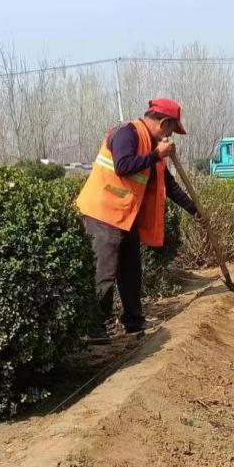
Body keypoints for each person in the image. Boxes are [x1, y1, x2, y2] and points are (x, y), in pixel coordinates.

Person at [76, 98, 198, 343]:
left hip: (125, 216)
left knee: (131, 271)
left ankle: (133, 321)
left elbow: (168, 185)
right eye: (170, 130)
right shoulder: (127, 133)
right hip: (102, 213)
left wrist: (195, 210)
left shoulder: (150, 145)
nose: (169, 136)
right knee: (105, 270)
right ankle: (94, 328)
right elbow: (122, 166)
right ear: (163, 123)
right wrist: (156, 155)